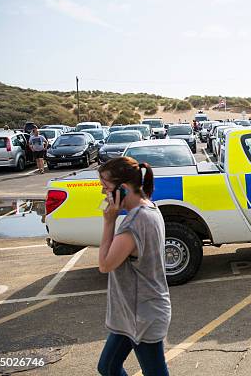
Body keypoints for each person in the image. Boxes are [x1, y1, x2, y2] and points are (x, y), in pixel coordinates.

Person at [97, 157, 171, 376]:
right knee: (108, 367)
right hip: (132, 313)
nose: (103, 194)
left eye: (106, 188)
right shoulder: (149, 208)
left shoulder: (135, 222)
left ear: (124, 189)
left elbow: (105, 265)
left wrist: (109, 221)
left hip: (143, 315)